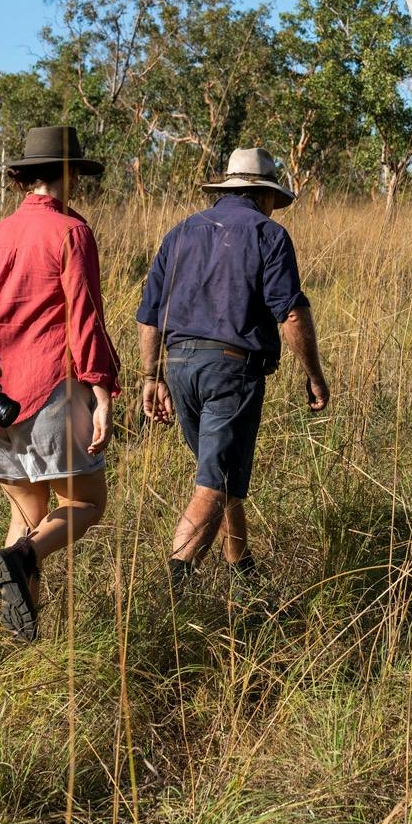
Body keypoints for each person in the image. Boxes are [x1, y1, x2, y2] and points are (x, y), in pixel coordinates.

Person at [0, 126, 121, 641]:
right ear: (67, 174)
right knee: (87, 504)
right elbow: (85, 318)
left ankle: (19, 638)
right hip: (47, 387)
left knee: (29, 512)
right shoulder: (71, 232)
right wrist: (101, 390)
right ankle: (22, 557)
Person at [138, 147, 330, 588]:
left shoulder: (180, 232)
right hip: (230, 370)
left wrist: (152, 377)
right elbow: (292, 314)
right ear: (264, 195)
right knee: (214, 483)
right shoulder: (269, 234)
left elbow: (149, 316)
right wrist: (314, 374)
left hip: (180, 367)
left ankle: (243, 572)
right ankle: (173, 588)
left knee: (220, 474)